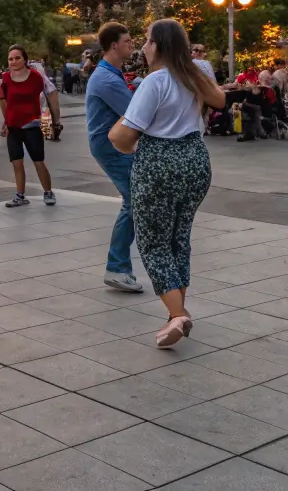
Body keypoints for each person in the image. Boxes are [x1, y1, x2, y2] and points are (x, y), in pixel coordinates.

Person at [108, 19, 226, 348]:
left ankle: (177, 315)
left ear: (158, 45)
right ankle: (175, 313)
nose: (143, 47)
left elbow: (123, 136)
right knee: (178, 240)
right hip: (195, 160)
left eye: (147, 41)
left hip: (159, 163)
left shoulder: (155, 81)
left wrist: (118, 129)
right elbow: (219, 100)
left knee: (153, 244)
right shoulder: (195, 73)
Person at [85, 21, 143, 292]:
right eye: (127, 41)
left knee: (135, 199)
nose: (132, 45)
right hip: (111, 147)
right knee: (135, 200)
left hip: (113, 144)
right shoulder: (106, 79)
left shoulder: (110, 73)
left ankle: (119, 266)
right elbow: (136, 113)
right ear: (113, 45)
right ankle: (117, 267)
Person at [0, 44, 56, 208]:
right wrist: (6, 121)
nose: (14, 61)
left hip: (32, 125)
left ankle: (48, 192)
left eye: (17, 58)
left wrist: (51, 122)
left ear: (25, 59)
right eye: (10, 59)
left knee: (38, 161)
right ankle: (20, 196)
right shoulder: (5, 79)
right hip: (13, 127)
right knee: (17, 163)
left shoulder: (36, 77)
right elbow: (3, 101)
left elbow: (46, 97)